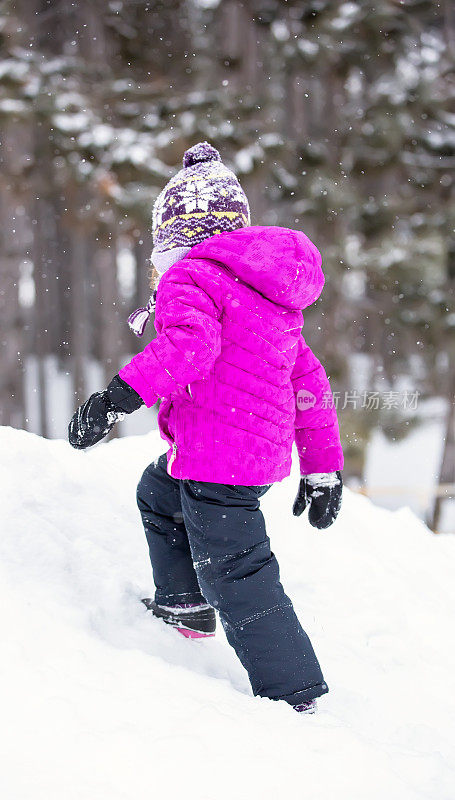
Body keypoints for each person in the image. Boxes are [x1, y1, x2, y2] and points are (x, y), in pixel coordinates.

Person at [68, 142, 343, 714]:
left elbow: (190, 348)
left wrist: (116, 397)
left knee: (238, 576)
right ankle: (183, 604)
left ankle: (294, 692)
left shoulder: (188, 279)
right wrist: (322, 469)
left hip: (218, 459)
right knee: (158, 494)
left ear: (171, 239)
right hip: (241, 456)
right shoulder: (267, 298)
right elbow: (308, 381)